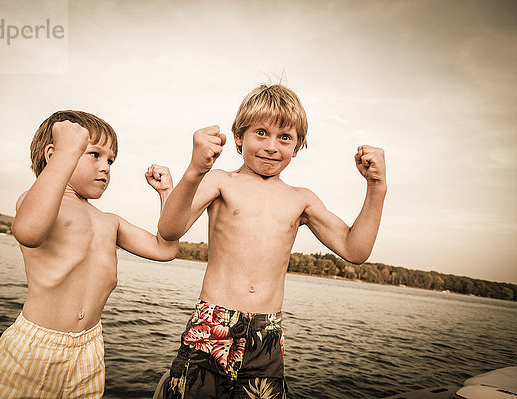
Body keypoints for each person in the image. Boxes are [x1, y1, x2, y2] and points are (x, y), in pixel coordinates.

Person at [154, 84, 387, 398]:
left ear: (298, 145)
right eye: (261, 133)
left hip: (267, 334)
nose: (272, 147)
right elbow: (170, 229)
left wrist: (376, 187)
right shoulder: (222, 181)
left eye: (285, 137)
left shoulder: (301, 199)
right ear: (239, 136)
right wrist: (196, 169)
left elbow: (354, 249)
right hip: (213, 323)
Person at [0, 110, 178, 398]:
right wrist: (66, 153)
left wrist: (166, 192)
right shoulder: (40, 204)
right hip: (35, 346)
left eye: (110, 160)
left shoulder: (111, 221)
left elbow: (165, 248)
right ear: (53, 155)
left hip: (89, 350)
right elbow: (28, 232)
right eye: (94, 155)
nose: (106, 167)